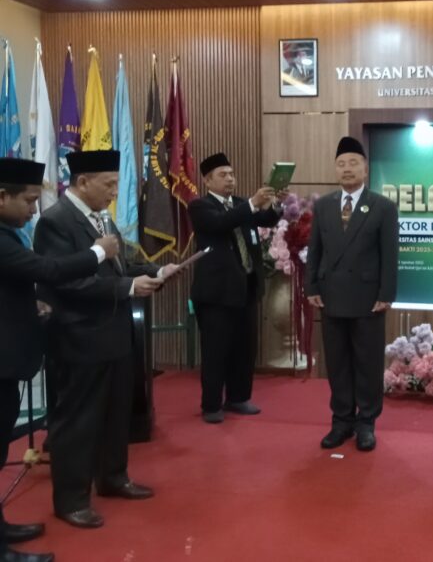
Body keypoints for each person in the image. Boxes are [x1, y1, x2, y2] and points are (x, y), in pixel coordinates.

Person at [33, 150, 179, 529]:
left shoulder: (101, 216)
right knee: (78, 421)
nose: (115, 192)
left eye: (116, 184)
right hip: (79, 338)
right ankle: (71, 499)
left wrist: (156, 270)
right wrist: (128, 287)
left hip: (114, 334)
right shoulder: (55, 222)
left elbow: (119, 266)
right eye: (109, 184)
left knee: (116, 413)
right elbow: (66, 283)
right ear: (83, 182)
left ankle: (113, 477)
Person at [0, 159, 119, 562]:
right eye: (29, 200)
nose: (34, 209)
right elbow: (47, 268)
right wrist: (98, 252)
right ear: (2, 197)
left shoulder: (8, 233)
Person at [306, 137, 398, 452]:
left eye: (353, 163)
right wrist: (311, 287)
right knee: (338, 363)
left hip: (368, 299)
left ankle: (366, 423)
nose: (347, 169)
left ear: (365, 169)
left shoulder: (383, 206)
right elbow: (315, 250)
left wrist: (387, 293)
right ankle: (341, 421)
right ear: (335, 169)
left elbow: (390, 255)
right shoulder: (324, 205)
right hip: (331, 296)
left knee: (368, 364)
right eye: (341, 164)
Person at [189, 153, 281, 424]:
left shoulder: (241, 204)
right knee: (216, 350)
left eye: (231, 174)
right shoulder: (200, 206)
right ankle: (211, 404)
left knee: (244, 348)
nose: (230, 179)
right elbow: (221, 223)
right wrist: (253, 203)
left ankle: (238, 397)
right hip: (216, 293)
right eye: (223, 175)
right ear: (208, 181)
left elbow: (267, 220)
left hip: (246, 288)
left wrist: (274, 204)